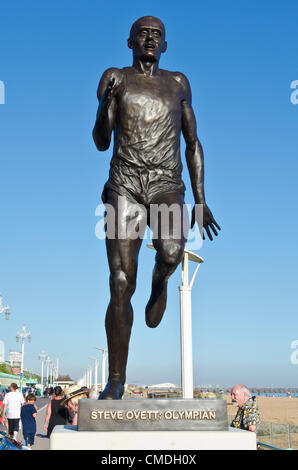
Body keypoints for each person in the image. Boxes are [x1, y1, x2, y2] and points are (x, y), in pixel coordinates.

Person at [92, 16, 221, 400]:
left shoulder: (178, 83)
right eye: (143, 34)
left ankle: (160, 281)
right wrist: (105, 102)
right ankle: (116, 379)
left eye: (157, 35)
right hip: (125, 184)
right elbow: (101, 141)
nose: (150, 39)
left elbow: (193, 142)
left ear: (164, 45)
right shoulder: (115, 76)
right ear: (129, 40)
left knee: (171, 252)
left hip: (166, 183)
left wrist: (200, 199)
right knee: (119, 282)